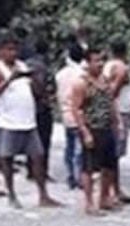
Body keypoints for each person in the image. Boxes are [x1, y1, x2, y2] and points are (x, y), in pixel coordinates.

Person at [0, 34, 62, 209]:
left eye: (15, 49)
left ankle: (43, 195)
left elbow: (38, 91)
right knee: (7, 158)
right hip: (9, 122)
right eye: (8, 49)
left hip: (28, 121)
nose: (12, 53)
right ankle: (12, 195)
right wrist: (10, 79)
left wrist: (33, 79)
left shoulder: (22, 65)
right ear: (1, 51)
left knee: (37, 156)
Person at [72, 47, 120, 215]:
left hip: (106, 128)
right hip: (92, 128)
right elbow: (76, 109)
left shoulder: (105, 80)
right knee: (90, 168)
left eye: (101, 60)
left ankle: (104, 198)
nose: (99, 64)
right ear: (88, 63)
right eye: (96, 61)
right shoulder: (82, 83)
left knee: (109, 166)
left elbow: (111, 102)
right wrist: (85, 132)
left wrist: (116, 121)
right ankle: (89, 203)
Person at [105, 40, 130, 203]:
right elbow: (113, 91)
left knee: (113, 153)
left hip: (119, 111)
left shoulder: (108, 65)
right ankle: (115, 190)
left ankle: (112, 189)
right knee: (115, 153)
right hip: (120, 112)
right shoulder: (121, 68)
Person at [56, 43, 86, 190]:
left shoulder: (60, 74)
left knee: (69, 146)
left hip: (65, 113)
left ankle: (70, 175)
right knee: (80, 149)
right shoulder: (83, 74)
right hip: (79, 114)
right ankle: (78, 176)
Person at [28, 38, 54, 180]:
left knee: (31, 139)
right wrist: (45, 98)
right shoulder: (43, 66)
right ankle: (41, 171)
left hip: (28, 107)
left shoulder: (27, 63)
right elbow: (39, 85)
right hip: (41, 108)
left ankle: (30, 169)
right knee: (43, 140)